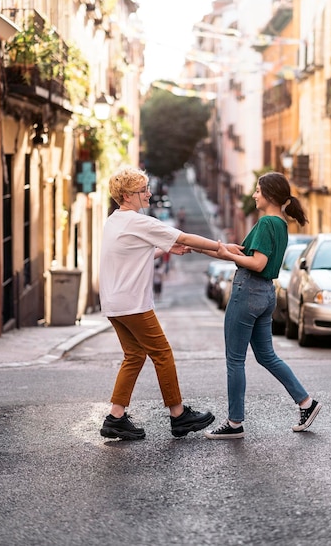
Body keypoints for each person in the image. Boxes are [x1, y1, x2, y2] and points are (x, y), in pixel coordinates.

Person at [99, 165, 243, 441]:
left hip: (115, 303)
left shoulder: (115, 220)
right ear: (127, 196)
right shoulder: (138, 221)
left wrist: (164, 248)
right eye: (143, 190)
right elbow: (185, 237)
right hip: (133, 304)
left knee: (134, 355)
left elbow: (131, 255)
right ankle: (178, 415)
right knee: (162, 353)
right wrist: (221, 247)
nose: (149, 194)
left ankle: (115, 417)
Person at [202, 172, 322, 439]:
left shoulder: (266, 222)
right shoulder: (279, 223)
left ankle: (235, 423)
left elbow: (257, 263)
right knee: (267, 356)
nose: (254, 195)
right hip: (266, 294)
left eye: (257, 190)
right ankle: (306, 403)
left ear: (268, 195)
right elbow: (240, 254)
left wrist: (223, 253)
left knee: (235, 360)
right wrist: (201, 248)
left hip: (248, 291)